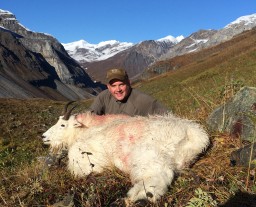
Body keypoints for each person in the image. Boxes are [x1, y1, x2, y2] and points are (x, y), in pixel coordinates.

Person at [89, 68, 169, 116]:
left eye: (121, 84)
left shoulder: (142, 100)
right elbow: (90, 117)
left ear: (128, 83)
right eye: (113, 86)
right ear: (108, 87)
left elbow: (167, 116)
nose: (118, 89)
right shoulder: (103, 97)